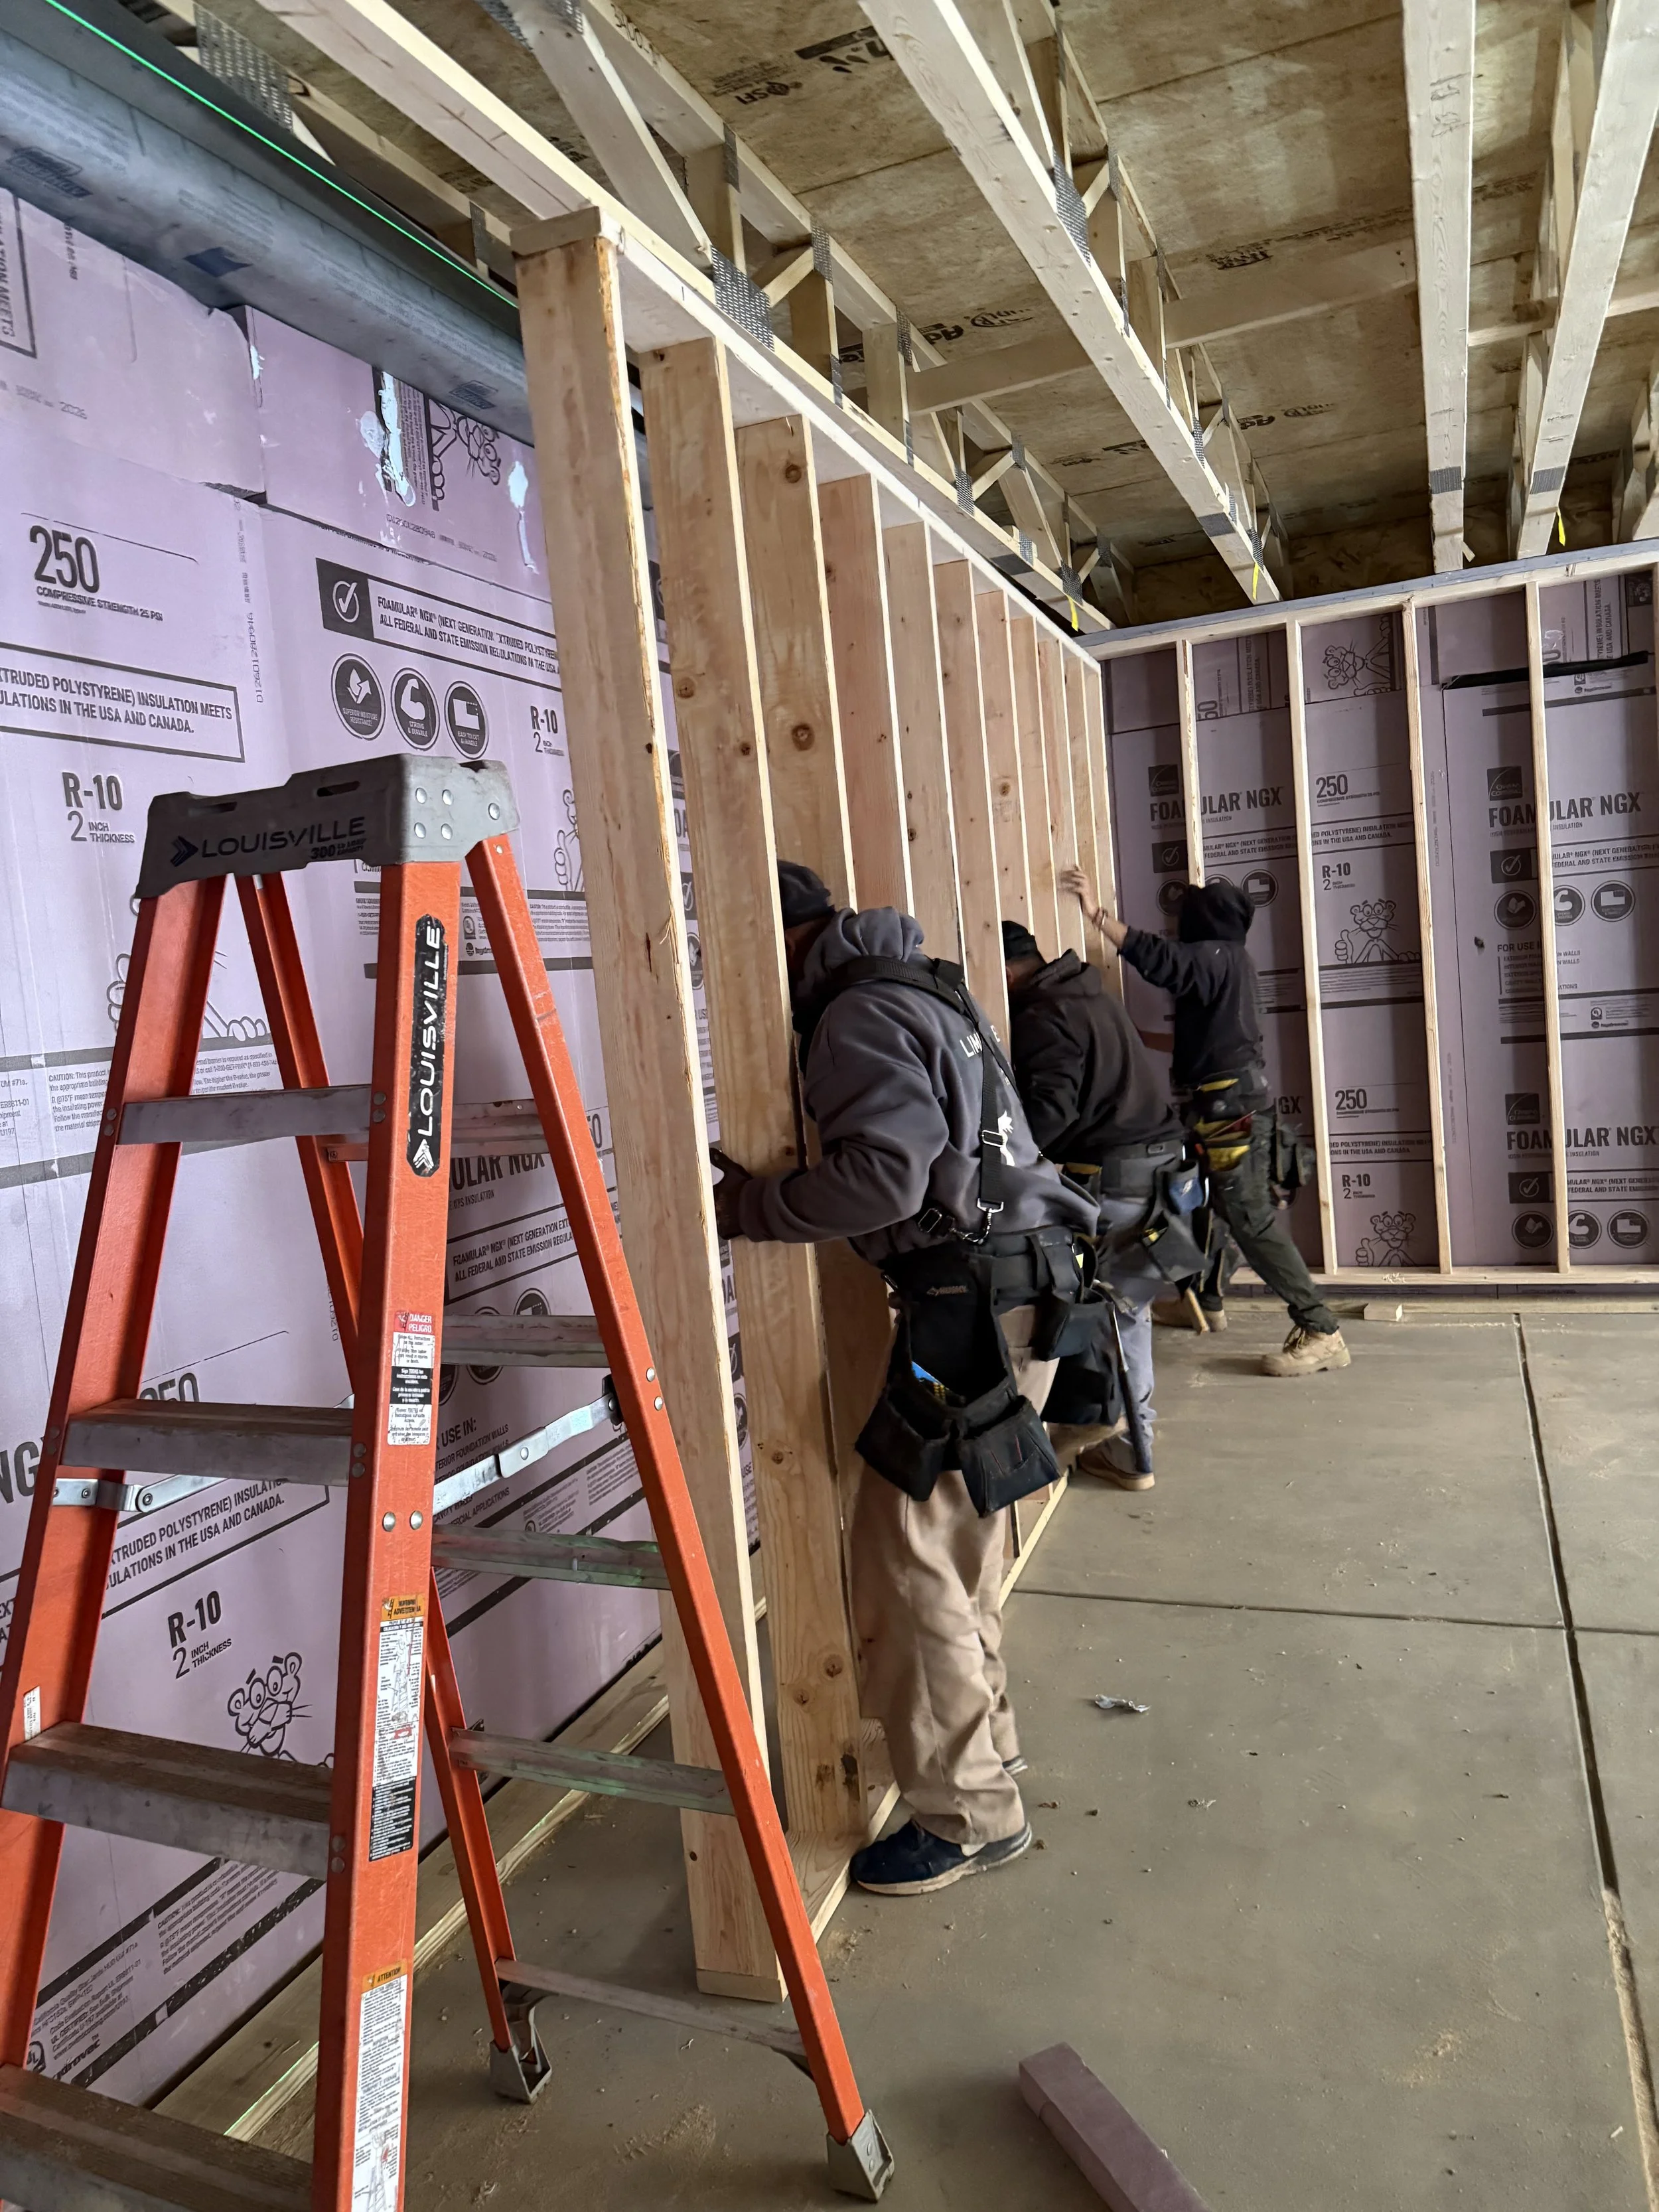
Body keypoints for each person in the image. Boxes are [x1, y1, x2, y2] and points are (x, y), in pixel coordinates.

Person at [711, 861, 1097, 1898]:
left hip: (978, 1305)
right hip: (1021, 1289)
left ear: (776, 943)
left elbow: (884, 1174)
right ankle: (989, 1753)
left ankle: (969, 1815)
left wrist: (750, 1206)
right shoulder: (923, 986)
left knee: (905, 1553)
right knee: (956, 1548)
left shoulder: (853, 1016)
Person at [1059, 864, 1350, 1379]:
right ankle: (1208, 1300)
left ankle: (1321, 1327)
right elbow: (1216, 1043)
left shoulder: (1214, 955)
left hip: (1230, 1116)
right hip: (1225, 1107)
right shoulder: (1233, 964)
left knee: (1251, 1221)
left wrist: (1097, 915)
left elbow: (1161, 960)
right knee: (1208, 1208)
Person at [1001, 918, 1180, 1489]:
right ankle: (1129, 1434)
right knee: (1128, 1313)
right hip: (1157, 1172)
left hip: (1122, 1179)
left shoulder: (1043, 1015)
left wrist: (1007, 1154)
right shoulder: (1088, 991)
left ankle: (1131, 1448)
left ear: (1006, 971)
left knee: (1114, 1319)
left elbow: (1052, 1110)